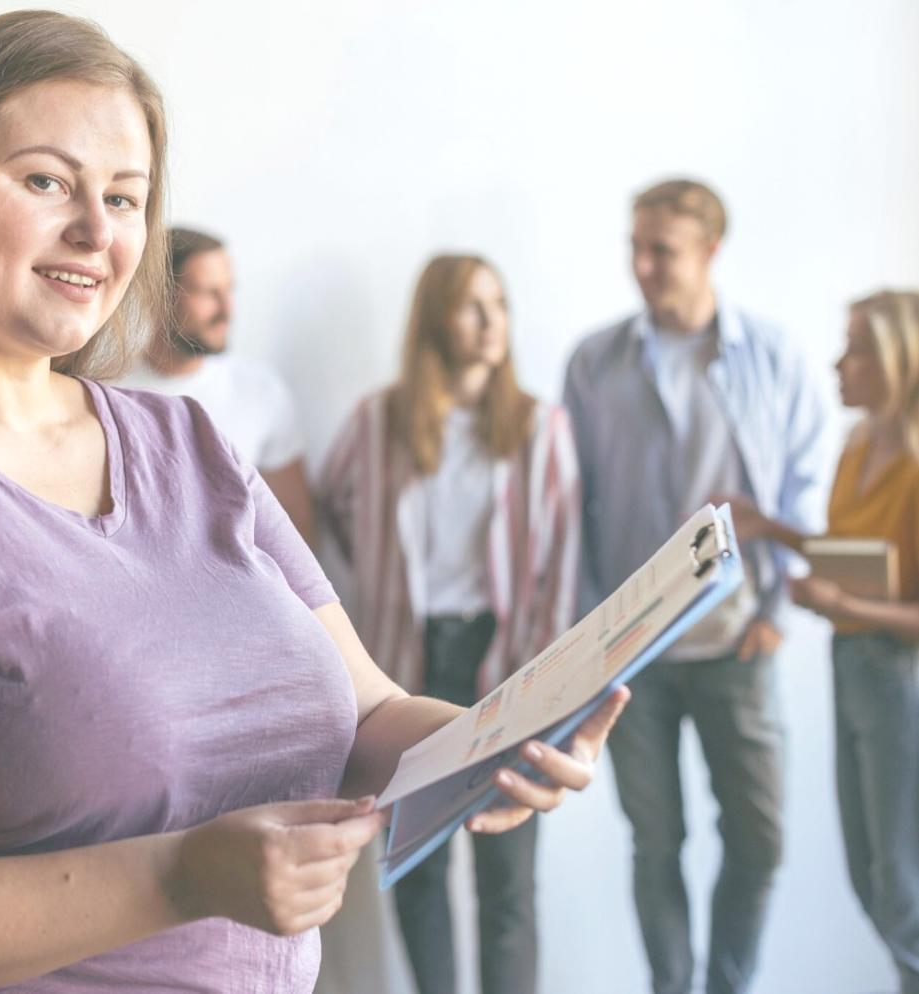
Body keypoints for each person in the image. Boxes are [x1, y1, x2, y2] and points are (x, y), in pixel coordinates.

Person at [0, 11, 626, 994]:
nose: (94, 232)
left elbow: (368, 709)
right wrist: (181, 872)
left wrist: (494, 740)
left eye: (123, 198)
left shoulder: (188, 444)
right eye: (44, 181)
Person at [563, 179, 826, 994]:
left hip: (735, 639)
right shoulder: (594, 361)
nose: (642, 265)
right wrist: (586, 641)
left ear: (710, 250)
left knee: (759, 838)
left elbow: (800, 490)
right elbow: (572, 505)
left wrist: (779, 612)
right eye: (634, 246)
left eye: (662, 250)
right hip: (632, 654)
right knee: (655, 841)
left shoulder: (771, 356)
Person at [317, 254, 580, 994]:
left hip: (506, 659)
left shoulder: (539, 425)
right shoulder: (378, 421)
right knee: (419, 864)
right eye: (471, 306)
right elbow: (333, 513)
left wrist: (552, 679)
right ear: (435, 319)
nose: (491, 322)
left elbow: (560, 560)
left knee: (507, 874)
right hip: (405, 660)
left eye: (498, 303)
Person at [722, 290, 919, 994]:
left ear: (900, 357)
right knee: (870, 877)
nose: (839, 364)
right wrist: (771, 529)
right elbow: (851, 551)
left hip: (902, 677)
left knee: (901, 888)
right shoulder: (859, 443)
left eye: (857, 347)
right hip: (852, 665)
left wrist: (843, 603)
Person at [119, 227, 314, 541]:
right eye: (209, 293)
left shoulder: (260, 391)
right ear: (159, 294)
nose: (227, 310)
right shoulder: (103, 388)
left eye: (229, 291)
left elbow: (295, 526)